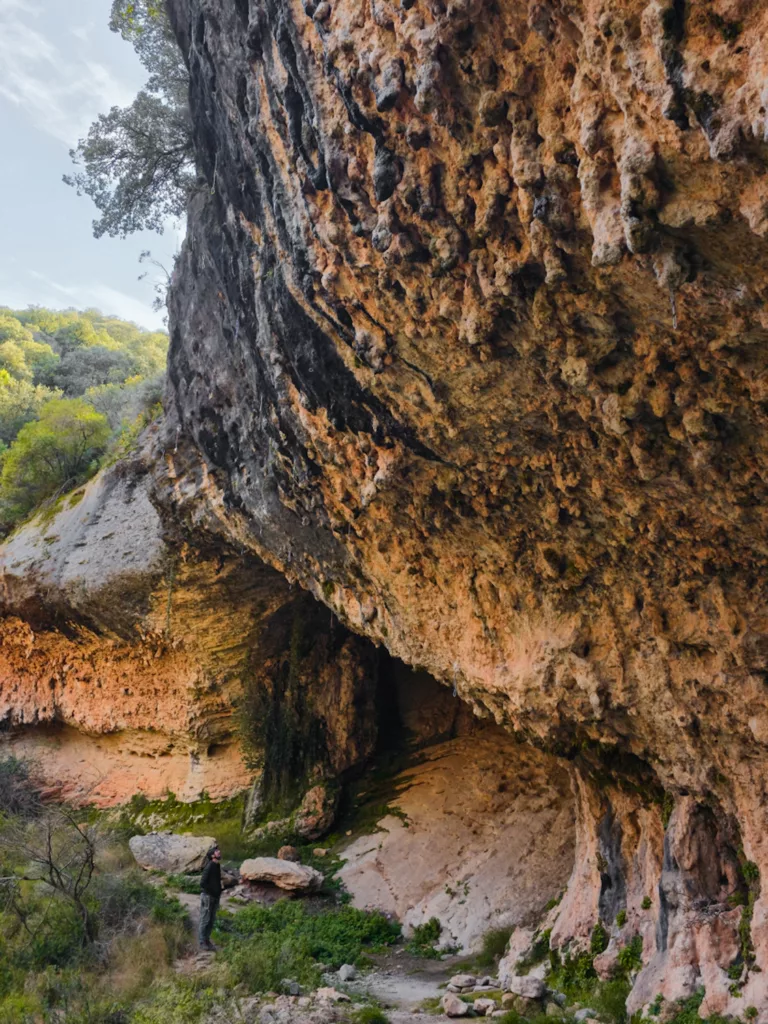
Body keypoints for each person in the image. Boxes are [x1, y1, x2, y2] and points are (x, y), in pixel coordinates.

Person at [199, 846, 222, 950]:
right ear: (213, 855)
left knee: (211, 920)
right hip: (208, 897)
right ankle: (202, 941)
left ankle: (207, 940)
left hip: (215, 897)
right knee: (205, 919)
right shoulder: (210, 866)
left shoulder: (217, 866)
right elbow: (202, 883)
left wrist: (218, 892)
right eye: (217, 851)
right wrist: (212, 891)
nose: (219, 852)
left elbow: (216, 882)